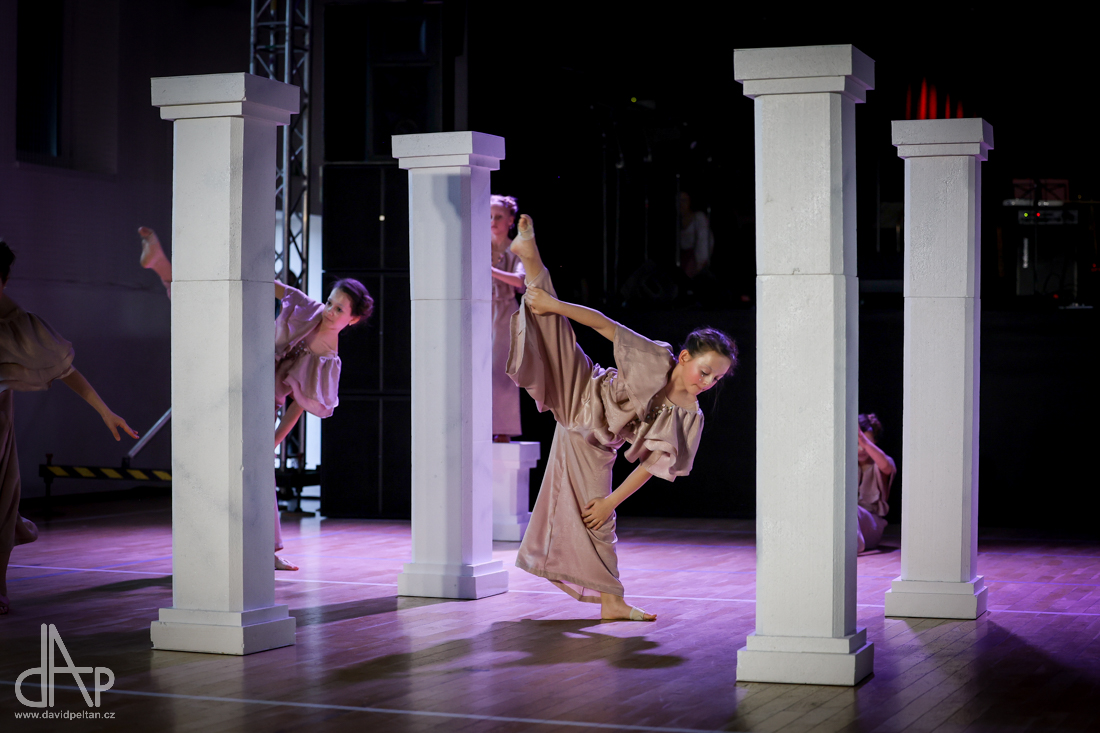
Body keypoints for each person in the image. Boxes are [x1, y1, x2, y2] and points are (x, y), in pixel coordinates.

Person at [507, 215, 735, 621]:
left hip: (594, 439)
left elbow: (652, 465)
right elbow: (605, 325)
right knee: (552, 324)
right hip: (583, 388)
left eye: (715, 379)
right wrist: (556, 305)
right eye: (704, 372)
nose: (707, 382)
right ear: (685, 357)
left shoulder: (689, 416)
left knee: (599, 519)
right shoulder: (658, 357)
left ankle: (611, 602)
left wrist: (610, 501)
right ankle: (530, 255)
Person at [138, 228, 373, 571]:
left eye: (339, 310)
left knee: (257, 476)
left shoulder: (328, 358)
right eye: (329, 302)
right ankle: (164, 267)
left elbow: (297, 405)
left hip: (261, 404)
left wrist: (273, 442)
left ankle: (262, 550)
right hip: (242, 367)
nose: (329, 311)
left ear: (353, 319)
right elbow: (266, 285)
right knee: (206, 320)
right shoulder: (307, 307)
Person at [1, 240, 137, 614]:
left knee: (2, 505)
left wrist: (105, 411)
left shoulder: (19, 326)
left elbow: (66, 370)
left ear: (4, 282)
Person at [489, 195, 526, 442]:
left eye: (498, 216)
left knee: (502, 371)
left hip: (505, 313)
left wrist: (491, 271)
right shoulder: (478, 246)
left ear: (510, 220)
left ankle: (503, 429)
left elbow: (520, 281)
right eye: (490, 217)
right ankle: (478, 426)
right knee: (477, 369)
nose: (493, 221)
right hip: (480, 310)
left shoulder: (516, 249)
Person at [857, 413, 895, 553]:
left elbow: (886, 467)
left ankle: (853, 546)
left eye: (866, 443)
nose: (861, 448)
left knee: (850, 510)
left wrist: (863, 440)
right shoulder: (846, 464)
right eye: (857, 443)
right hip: (848, 525)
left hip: (871, 526)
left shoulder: (881, 462)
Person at [678, 192, 713, 279]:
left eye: (684, 200)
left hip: (696, 269)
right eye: (678, 200)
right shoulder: (677, 221)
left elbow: (704, 246)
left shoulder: (698, 218)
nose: (680, 204)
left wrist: (696, 269)